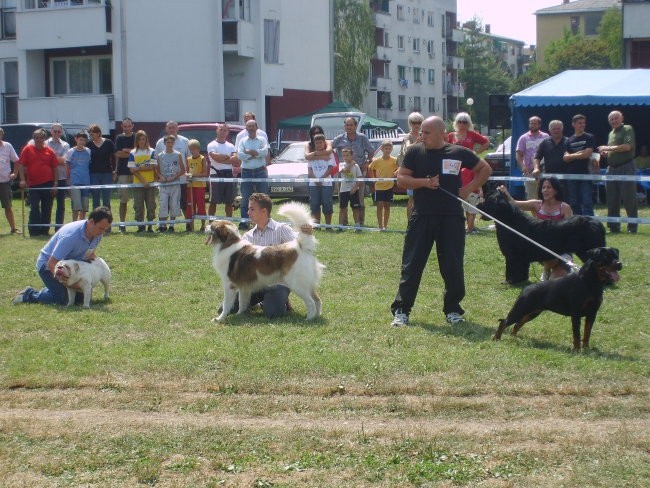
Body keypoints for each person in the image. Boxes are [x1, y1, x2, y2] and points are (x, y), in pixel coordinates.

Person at [390, 116, 492, 327]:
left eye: (426, 132)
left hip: (451, 218)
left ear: (440, 133)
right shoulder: (415, 152)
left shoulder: (458, 152)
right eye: (421, 132)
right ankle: (402, 310)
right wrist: (425, 183)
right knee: (412, 264)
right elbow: (401, 179)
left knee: (452, 265)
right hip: (422, 216)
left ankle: (453, 310)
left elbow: (485, 169)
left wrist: (468, 189)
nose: (422, 136)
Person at [11, 206, 113, 306]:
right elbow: (52, 263)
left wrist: (97, 267)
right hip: (47, 266)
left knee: (81, 299)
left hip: (70, 269)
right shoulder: (71, 236)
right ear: (91, 221)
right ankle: (28, 294)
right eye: (101, 229)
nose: (102, 233)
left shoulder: (96, 235)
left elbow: (89, 254)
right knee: (63, 299)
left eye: (105, 230)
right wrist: (72, 284)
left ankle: (54, 289)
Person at [241, 192, 312, 318]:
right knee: (226, 309)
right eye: (248, 209)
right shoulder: (247, 236)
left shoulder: (281, 229)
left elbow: (301, 246)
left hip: (279, 283)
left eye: (252, 209)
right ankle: (259, 302)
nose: (248, 212)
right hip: (255, 284)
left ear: (264, 211)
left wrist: (307, 233)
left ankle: (279, 300)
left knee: (272, 314)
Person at [498, 177, 574, 280]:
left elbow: (570, 232)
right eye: (543, 187)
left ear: (556, 190)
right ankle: (547, 268)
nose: (545, 190)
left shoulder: (565, 208)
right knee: (548, 259)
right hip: (543, 250)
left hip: (562, 250)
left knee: (554, 282)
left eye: (549, 187)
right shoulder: (536, 204)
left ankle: (564, 269)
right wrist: (506, 193)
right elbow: (514, 204)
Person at [448, 112, 490, 234]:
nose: (462, 124)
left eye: (465, 121)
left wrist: (476, 152)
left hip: (469, 167)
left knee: (471, 195)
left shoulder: (472, 134)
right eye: (459, 121)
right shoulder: (451, 135)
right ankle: (465, 225)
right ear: (456, 123)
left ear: (468, 123)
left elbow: (486, 142)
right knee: (461, 197)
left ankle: (470, 226)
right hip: (454, 167)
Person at [598, 111, 638, 234]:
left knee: (628, 198)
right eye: (611, 119)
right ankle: (614, 226)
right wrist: (606, 154)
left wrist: (608, 148)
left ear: (622, 118)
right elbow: (615, 150)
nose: (614, 121)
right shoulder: (611, 133)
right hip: (612, 168)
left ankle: (632, 227)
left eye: (616, 118)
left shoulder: (627, 129)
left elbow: (627, 147)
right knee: (611, 198)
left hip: (626, 166)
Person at [332, 117, 375, 226]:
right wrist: (335, 162)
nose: (349, 127)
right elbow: (329, 147)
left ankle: (360, 223)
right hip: (343, 174)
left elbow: (371, 151)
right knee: (342, 200)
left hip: (358, 172)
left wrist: (367, 162)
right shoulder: (339, 139)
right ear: (344, 126)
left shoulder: (362, 138)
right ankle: (343, 223)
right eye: (347, 125)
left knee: (359, 199)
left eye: (351, 125)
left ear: (355, 126)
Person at [17, 129, 58, 237]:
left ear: (44, 139)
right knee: (34, 208)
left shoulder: (50, 151)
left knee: (47, 208)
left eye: (41, 138)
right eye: (36, 138)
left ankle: (44, 231)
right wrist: (22, 179)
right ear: (33, 138)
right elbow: (20, 164)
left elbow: (55, 168)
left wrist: (55, 184)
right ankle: (34, 231)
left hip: (48, 183)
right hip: (33, 184)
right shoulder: (27, 149)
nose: (39, 140)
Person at [155, 121, 191, 230]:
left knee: (179, 202)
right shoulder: (160, 143)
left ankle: (185, 224)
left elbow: (188, 160)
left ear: (177, 128)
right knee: (163, 203)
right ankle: (162, 225)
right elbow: (156, 163)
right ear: (166, 129)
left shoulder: (185, 141)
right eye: (169, 128)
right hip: (164, 181)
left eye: (173, 127)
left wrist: (187, 175)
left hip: (180, 180)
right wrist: (160, 176)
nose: (171, 129)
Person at [237, 119, 269, 228]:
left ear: (256, 127)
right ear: (246, 129)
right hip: (246, 172)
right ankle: (244, 223)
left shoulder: (262, 139)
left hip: (260, 171)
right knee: (245, 199)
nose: (250, 128)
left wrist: (249, 152)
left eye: (252, 126)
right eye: (248, 126)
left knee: (264, 199)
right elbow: (240, 156)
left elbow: (265, 152)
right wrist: (255, 154)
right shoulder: (242, 141)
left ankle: (265, 222)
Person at [563, 114, 595, 216]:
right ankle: (578, 222)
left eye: (583, 123)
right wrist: (579, 154)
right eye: (579, 123)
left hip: (586, 173)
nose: (582, 125)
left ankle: (589, 223)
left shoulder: (589, 137)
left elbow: (587, 154)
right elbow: (565, 158)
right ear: (573, 124)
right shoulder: (569, 140)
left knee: (587, 201)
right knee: (573, 202)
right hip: (572, 175)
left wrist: (572, 156)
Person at [128, 130, 157, 233]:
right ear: (137, 140)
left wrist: (138, 167)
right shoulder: (133, 153)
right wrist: (143, 180)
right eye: (139, 139)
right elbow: (132, 170)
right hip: (138, 183)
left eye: (143, 139)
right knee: (138, 206)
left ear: (146, 140)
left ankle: (150, 226)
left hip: (151, 183)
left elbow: (153, 166)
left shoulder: (152, 151)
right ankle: (140, 226)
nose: (141, 141)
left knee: (151, 205)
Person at [207, 123, 238, 218]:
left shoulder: (231, 146)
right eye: (221, 129)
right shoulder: (211, 144)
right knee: (213, 201)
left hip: (229, 174)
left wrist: (222, 158)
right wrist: (228, 158)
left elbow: (236, 160)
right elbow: (215, 158)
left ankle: (229, 222)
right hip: (215, 175)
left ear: (227, 132)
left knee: (229, 201)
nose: (222, 132)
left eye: (225, 130)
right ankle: (211, 223)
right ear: (217, 130)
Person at [533, 120, 568, 202]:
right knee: (547, 201)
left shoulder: (568, 141)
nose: (556, 130)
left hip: (565, 179)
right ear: (550, 130)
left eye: (558, 129)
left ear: (562, 129)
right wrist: (536, 168)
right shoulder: (544, 143)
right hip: (549, 179)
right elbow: (537, 157)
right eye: (554, 129)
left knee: (565, 201)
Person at [397, 112, 424, 220]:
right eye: (414, 122)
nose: (416, 125)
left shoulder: (425, 134)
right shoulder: (408, 136)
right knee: (412, 198)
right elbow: (407, 149)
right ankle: (410, 221)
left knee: (423, 197)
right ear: (410, 123)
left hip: (423, 168)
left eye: (419, 122)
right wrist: (417, 142)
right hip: (411, 170)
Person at [45, 123, 71, 231]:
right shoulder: (45, 143)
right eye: (54, 131)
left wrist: (50, 159)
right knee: (47, 205)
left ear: (61, 133)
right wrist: (57, 159)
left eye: (58, 131)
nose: (56, 133)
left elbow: (64, 160)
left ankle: (58, 228)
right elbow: (46, 160)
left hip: (61, 178)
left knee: (61, 205)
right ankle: (45, 229)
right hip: (47, 178)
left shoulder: (65, 145)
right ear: (51, 131)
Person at [307, 133, 336, 228]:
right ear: (314, 144)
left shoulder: (329, 154)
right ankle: (316, 225)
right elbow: (310, 170)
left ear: (324, 143)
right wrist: (316, 180)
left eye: (320, 142)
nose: (319, 144)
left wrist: (322, 178)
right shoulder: (311, 156)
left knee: (327, 203)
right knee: (314, 204)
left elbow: (330, 168)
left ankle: (328, 225)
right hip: (313, 184)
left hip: (326, 183)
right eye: (317, 143)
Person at [516, 116, 548, 199]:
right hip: (529, 172)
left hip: (544, 171)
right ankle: (534, 212)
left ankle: (543, 212)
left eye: (535, 123)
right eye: (531, 123)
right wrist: (523, 167)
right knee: (531, 197)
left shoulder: (546, 137)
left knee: (544, 196)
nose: (532, 125)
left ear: (539, 125)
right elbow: (519, 154)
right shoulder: (523, 138)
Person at [369, 140, 398, 230]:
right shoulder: (377, 161)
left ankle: (385, 226)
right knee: (379, 205)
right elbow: (370, 168)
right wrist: (373, 178)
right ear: (382, 149)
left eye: (389, 148)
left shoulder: (394, 160)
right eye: (386, 148)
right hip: (379, 186)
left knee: (387, 206)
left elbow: (400, 167)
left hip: (389, 186)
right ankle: (380, 226)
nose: (387, 150)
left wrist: (396, 173)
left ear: (392, 149)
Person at [113, 117, 135, 233]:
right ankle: (122, 224)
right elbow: (118, 154)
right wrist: (132, 152)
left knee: (139, 200)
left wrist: (127, 150)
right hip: (123, 172)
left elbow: (140, 152)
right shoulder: (119, 138)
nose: (127, 128)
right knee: (123, 200)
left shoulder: (137, 136)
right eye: (125, 126)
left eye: (129, 126)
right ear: (122, 126)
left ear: (132, 126)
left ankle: (141, 224)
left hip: (137, 172)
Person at [87, 124, 116, 213]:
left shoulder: (108, 142)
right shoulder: (89, 144)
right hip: (93, 174)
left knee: (106, 200)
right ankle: (96, 222)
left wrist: (115, 170)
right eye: (90, 134)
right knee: (95, 200)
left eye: (92, 134)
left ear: (98, 133)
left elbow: (115, 157)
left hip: (107, 173)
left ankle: (107, 224)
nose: (91, 136)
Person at [65, 132, 92, 221]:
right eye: (80, 140)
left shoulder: (88, 151)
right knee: (76, 206)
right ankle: (74, 223)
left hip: (85, 181)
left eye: (84, 140)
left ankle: (81, 224)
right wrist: (68, 179)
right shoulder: (70, 151)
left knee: (84, 206)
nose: (82, 142)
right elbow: (67, 166)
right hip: (75, 181)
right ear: (76, 139)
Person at [0, 127, 20, 234]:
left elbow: (16, 160)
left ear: (2, 135)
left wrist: (15, 173)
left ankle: (13, 228)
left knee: (8, 206)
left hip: (4, 182)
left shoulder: (7, 146)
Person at [337, 148, 363, 229]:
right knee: (342, 208)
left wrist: (355, 188)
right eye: (344, 155)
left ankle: (357, 225)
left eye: (347, 155)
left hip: (354, 190)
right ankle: (340, 225)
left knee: (355, 208)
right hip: (343, 190)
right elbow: (345, 171)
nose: (345, 157)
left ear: (352, 156)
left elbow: (360, 178)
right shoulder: (341, 164)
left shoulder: (356, 166)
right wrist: (351, 164)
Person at [186, 138, 208, 231]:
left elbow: (205, 173)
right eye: (191, 149)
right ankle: (191, 226)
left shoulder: (202, 158)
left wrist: (193, 175)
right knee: (190, 205)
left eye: (194, 149)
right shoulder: (188, 159)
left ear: (198, 149)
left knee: (201, 205)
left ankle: (203, 225)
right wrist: (187, 175)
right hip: (190, 186)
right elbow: (186, 172)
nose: (192, 151)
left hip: (200, 186)